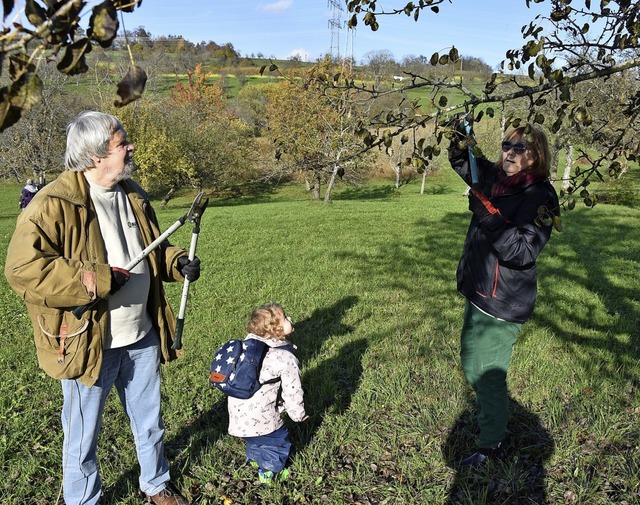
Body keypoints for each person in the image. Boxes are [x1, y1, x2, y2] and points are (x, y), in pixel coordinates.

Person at [4, 111, 201, 505]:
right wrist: (95, 279)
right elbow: (22, 269)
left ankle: (156, 484)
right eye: (122, 143)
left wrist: (176, 262)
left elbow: (151, 249)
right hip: (87, 342)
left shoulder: (133, 193)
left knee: (149, 420)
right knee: (82, 434)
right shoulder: (52, 204)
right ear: (95, 156)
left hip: (141, 333)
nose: (131, 148)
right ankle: (82, 499)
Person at [447, 120, 560, 466]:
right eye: (506, 145)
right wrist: (457, 135)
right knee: (472, 364)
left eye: (519, 148)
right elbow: (466, 161)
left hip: (502, 302)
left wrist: (486, 213)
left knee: (486, 373)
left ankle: (490, 444)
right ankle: (490, 419)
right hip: (478, 289)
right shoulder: (498, 178)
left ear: (536, 155)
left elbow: (523, 251)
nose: (509, 152)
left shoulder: (540, 197)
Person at [227, 302, 307, 484]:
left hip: (238, 414)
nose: (291, 319)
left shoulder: (246, 346)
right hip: (263, 418)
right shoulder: (285, 358)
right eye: (286, 318)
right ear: (276, 329)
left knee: (255, 440)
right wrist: (298, 414)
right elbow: (293, 390)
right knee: (276, 443)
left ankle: (255, 459)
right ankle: (268, 472)